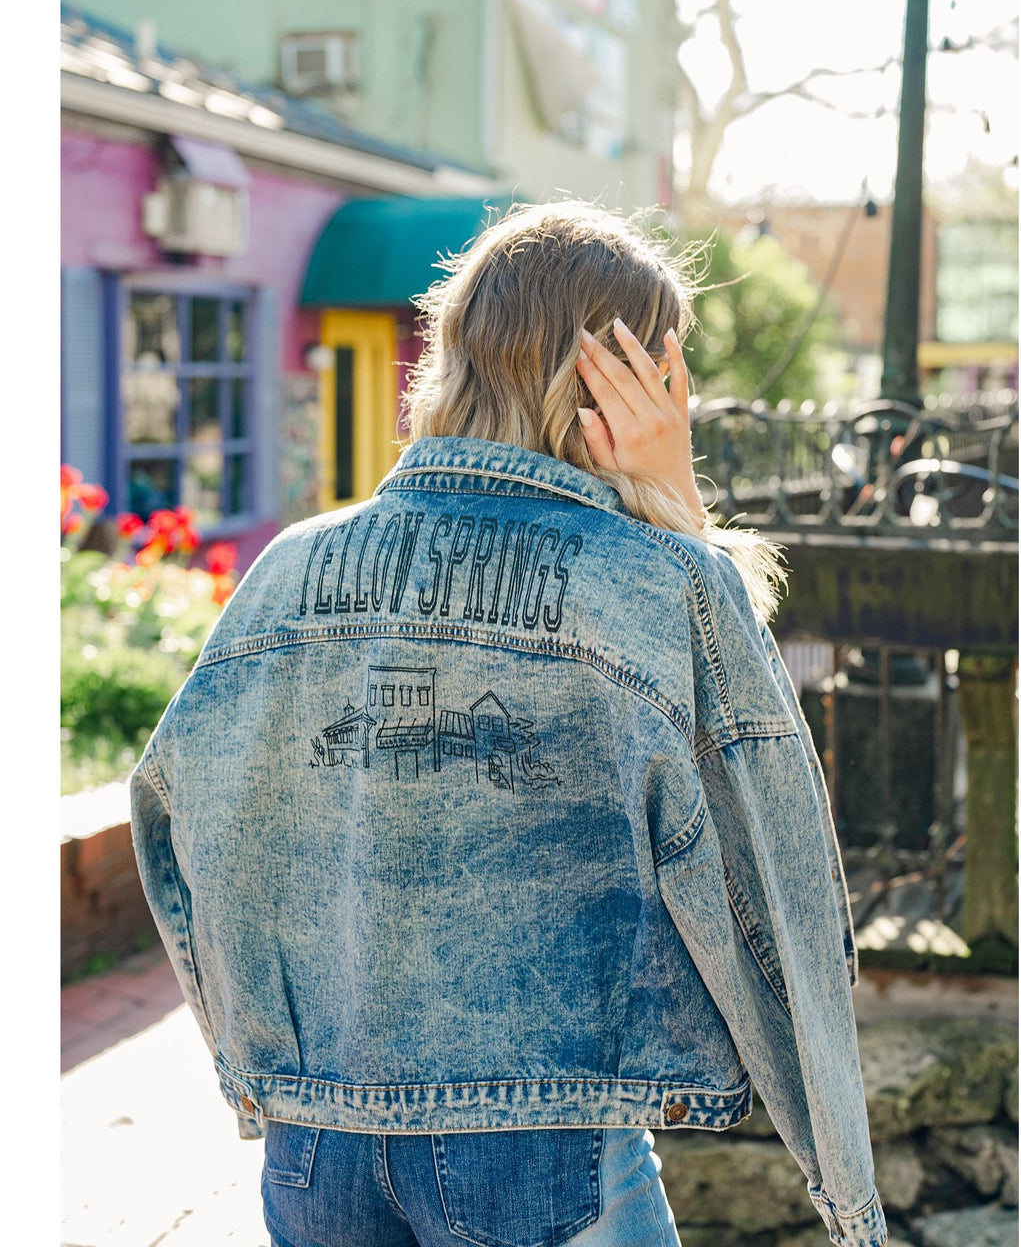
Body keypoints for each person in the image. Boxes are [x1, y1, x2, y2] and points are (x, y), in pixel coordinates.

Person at [130, 201, 887, 1247]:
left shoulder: (287, 570)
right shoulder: (657, 584)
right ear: (629, 379)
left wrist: (259, 1064)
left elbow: (175, 821)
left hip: (315, 1143)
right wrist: (845, 1195)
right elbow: (765, 872)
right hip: (543, 1144)